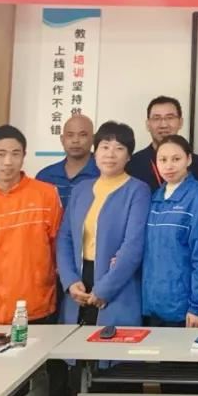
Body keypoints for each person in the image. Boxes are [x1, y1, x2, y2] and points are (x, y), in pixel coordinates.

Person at [0, 125, 63, 331]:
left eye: (15, 154)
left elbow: (57, 247)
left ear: (24, 156)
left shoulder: (46, 195)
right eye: (1, 154)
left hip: (34, 305)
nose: (8, 161)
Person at [56, 121, 149, 328]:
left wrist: (104, 289)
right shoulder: (81, 189)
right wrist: (70, 281)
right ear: (95, 152)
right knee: (73, 342)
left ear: (129, 156)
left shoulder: (137, 191)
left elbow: (133, 246)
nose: (110, 154)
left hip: (116, 284)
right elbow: (65, 238)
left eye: (119, 148)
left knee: (110, 343)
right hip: (79, 282)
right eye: (104, 147)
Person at [142, 135, 198, 328]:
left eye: (176, 159)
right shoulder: (156, 197)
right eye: (163, 160)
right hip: (153, 304)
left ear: (189, 159)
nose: (169, 166)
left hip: (184, 309)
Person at [127, 96, 198, 190]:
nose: (164, 125)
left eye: (170, 118)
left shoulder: (197, 163)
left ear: (180, 122)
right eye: (157, 118)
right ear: (148, 124)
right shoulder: (133, 164)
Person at [36, 113, 99, 207]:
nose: (75, 140)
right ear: (62, 139)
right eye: (70, 135)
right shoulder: (45, 176)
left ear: (93, 139)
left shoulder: (103, 174)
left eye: (83, 135)